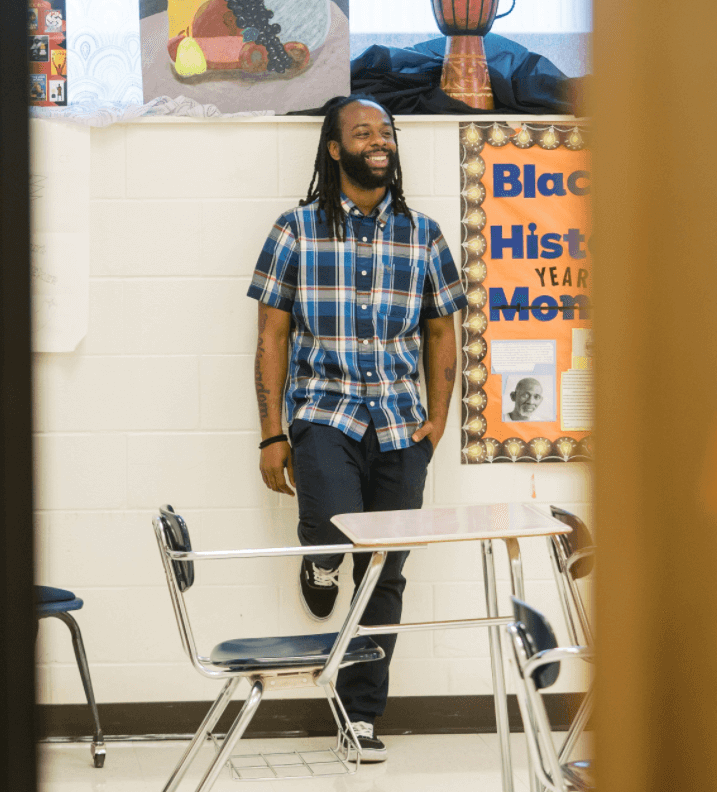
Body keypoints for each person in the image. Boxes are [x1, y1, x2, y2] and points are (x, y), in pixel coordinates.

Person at [248, 94, 463, 763]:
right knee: (333, 529)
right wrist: (271, 432)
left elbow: (441, 332)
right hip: (323, 414)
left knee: (384, 573)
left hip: (401, 426)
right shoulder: (295, 230)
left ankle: (359, 714)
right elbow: (271, 335)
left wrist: (435, 423)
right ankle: (319, 561)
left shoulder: (423, 235)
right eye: (363, 131)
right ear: (335, 149)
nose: (379, 140)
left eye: (386, 132)